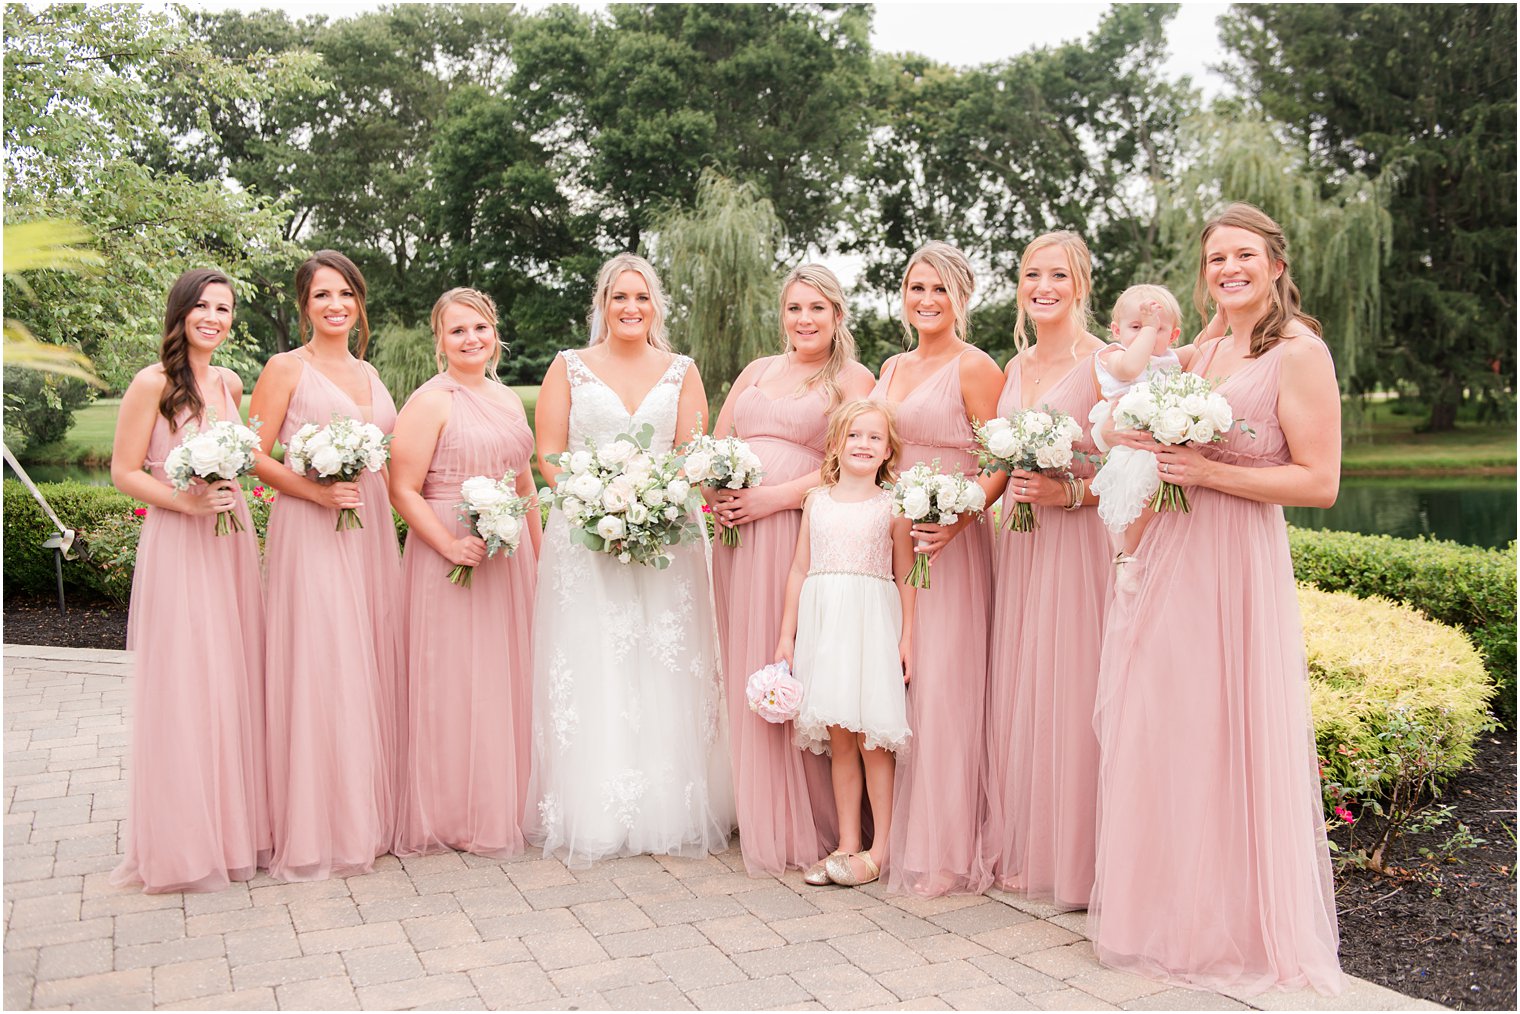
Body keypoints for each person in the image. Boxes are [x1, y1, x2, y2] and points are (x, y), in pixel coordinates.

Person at [1089, 202, 1343, 994]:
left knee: (1222, 727)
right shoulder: (1201, 354)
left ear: (1275, 263)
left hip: (1235, 562)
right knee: (1164, 725)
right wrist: (1131, 435)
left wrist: (1208, 474)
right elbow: (1135, 399)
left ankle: (1230, 922)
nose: (1227, 269)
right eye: (1214, 260)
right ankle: (1167, 915)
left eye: (1242, 255)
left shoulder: (1299, 354)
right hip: (1170, 554)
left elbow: (1320, 483)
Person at [523, 253, 735, 865]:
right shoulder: (569, 367)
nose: (631, 307)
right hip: (586, 534)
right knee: (598, 659)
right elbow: (550, 455)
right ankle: (596, 805)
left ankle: (669, 803)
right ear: (602, 303)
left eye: (642, 297)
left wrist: (653, 505)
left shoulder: (681, 371)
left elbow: (693, 454)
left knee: (663, 662)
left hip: (666, 534)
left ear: (656, 305)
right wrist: (594, 506)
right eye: (620, 296)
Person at [709, 264, 875, 879]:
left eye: (818, 309)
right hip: (737, 534)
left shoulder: (853, 378)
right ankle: (759, 808)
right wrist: (717, 492)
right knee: (746, 660)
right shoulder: (756, 372)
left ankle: (813, 819)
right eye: (795, 308)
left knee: (798, 663)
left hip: (796, 531)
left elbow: (854, 461)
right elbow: (716, 440)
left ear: (837, 316)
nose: (804, 320)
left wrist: (771, 499)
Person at [109, 269, 269, 893]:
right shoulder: (152, 383)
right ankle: (182, 843)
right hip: (180, 541)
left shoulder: (228, 382)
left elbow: (248, 460)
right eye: (202, 306)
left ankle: (231, 832)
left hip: (230, 541)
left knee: (230, 678)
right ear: (180, 312)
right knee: (186, 683)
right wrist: (187, 503)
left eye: (224, 309)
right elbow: (126, 472)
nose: (214, 317)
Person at [250, 250, 403, 881]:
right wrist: (315, 491)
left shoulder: (371, 375)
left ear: (359, 302)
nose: (335, 305)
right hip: (310, 528)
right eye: (321, 296)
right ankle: (316, 826)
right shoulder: (286, 368)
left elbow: (396, 462)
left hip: (366, 530)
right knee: (322, 660)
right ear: (303, 305)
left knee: (363, 657)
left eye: (345, 294)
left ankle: (361, 815)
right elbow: (248, 454)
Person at [980, 232, 1110, 909]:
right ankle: (1034, 846)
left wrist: (1074, 492)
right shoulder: (1017, 363)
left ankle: (1084, 860)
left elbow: (1134, 462)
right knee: (1024, 685)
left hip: (1077, 544)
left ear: (1081, 284)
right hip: (1021, 544)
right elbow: (999, 467)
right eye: (1032, 275)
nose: (1043, 287)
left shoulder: (1106, 362)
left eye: (1058, 275)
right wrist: (949, 511)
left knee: (1072, 686)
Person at [870, 241, 1003, 896]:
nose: (926, 301)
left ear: (962, 298)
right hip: (892, 535)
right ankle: (894, 832)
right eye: (916, 288)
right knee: (900, 674)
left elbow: (1001, 459)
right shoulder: (891, 365)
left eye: (940, 291)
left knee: (943, 678)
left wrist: (960, 515)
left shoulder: (975, 368)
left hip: (947, 541)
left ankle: (947, 847)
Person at [390, 288, 542, 859]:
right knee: (454, 677)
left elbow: (524, 481)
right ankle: (452, 810)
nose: (471, 339)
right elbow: (401, 487)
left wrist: (539, 554)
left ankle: (507, 800)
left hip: (510, 555)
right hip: (450, 550)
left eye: (479, 327)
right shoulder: (431, 401)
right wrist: (450, 545)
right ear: (441, 341)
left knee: (504, 674)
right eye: (457, 331)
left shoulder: (506, 399)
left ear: (494, 332)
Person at [776, 400, 915, 887]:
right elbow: (798, 569)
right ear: (836, 443)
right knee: (839, 738)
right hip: (825, 628)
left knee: (871, 735)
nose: (863, 444)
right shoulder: (816, 501)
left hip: (870, 625)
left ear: (887, 451)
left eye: (874, 438)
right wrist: (786, 636)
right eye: (854, 435)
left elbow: (906, 575)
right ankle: (847, 844)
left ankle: (882, 849)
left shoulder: (893, 506)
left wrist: (908, 636)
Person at [1088, 285, 1197, 559]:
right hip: (1131, 447)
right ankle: (1128, 555)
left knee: (1167, 504)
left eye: (1157, 328)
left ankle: (1152, 556)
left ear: (1172, 335)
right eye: (1135, 326)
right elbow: (1131, 368)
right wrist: (1149, 330)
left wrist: (1221, 319)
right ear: (1116, 331)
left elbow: (1203, 345)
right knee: (1140, 504)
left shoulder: (1170, 358)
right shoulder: (1113, 355)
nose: (1145, 333)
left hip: (1160, 443)